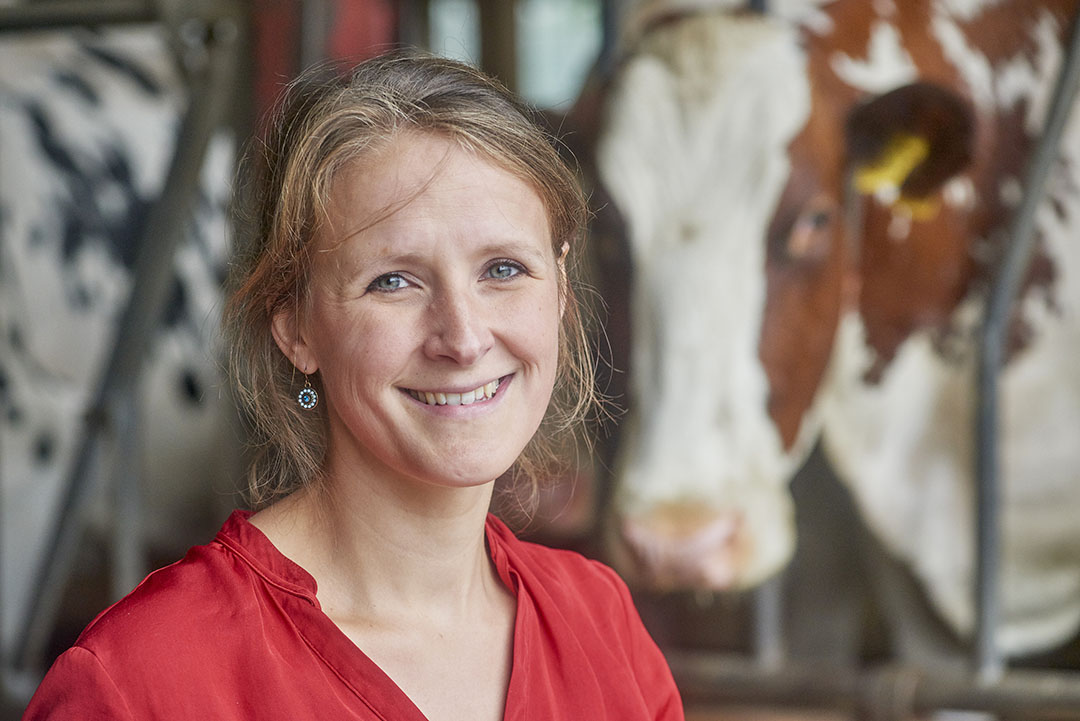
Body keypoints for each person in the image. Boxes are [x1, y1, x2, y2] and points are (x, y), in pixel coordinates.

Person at [22, 50, 684, 720]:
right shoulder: (144, 680)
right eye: (392, 280)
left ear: (561, 291)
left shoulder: (603, 628)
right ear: (295, 327)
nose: (463, 337)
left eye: (504, 269)